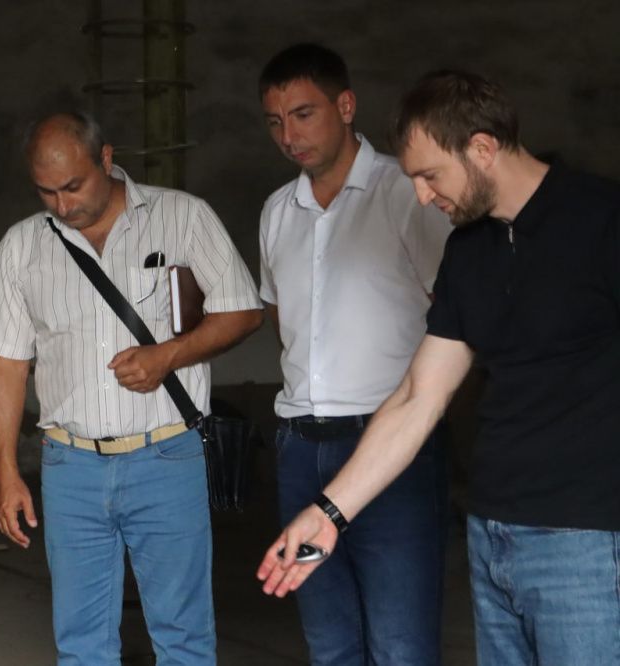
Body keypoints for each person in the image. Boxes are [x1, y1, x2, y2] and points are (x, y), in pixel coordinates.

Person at [258, 69, 620, 666]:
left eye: (430, 176)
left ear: (482, 148)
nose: (423, 196)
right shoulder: (470, 249)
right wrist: (329, 513)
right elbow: (417, 397)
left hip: (585, 539)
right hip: (492, 533)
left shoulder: (602, 220)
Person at [0, 111, 262, 665]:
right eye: (46, 192)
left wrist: (168, 355)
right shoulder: (22, 246)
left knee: (183, 638)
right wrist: (6, 471)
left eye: (73, 186)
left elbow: (243, 311)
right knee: (81, 645)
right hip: (69, 468)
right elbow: (5, 363)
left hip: (167, 456)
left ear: (106, 159)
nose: (62, 206)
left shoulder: (183, 217)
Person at [255, 44, 452, 665]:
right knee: (330, 641)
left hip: (389, 446)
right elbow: (281, 318)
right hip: (300, 449)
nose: (289, 137)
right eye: (275, 121)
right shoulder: (276, 212)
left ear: (345, 106)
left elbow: (453, 314)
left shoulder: (407, 193)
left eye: (304, 114)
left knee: (400, 642)